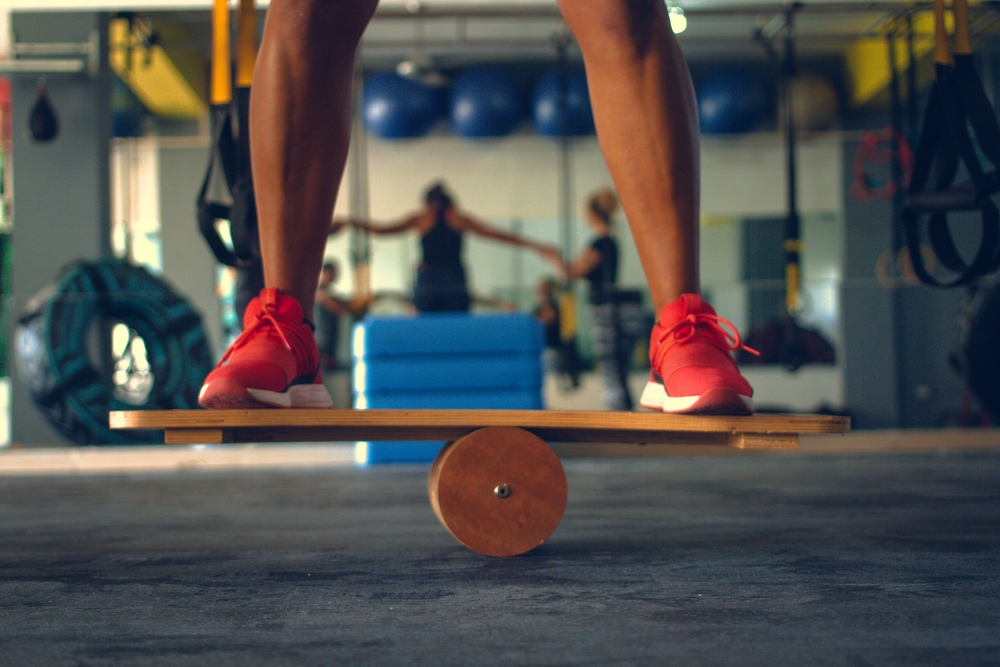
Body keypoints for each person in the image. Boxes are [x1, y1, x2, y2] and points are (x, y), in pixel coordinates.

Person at [198, 0, 756, 415]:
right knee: (306, 11)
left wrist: (534, 246)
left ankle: (682, 328)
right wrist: (355, 224)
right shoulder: (428, 220)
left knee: (620, 9)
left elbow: (485, 234)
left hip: (446, 282)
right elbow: (391, 228)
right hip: (432, 282)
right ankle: (287, 327)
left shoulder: (442, 219)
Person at [340, 181, 556, 313]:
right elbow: (496, 235)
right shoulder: (457, 219)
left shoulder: (423, 218)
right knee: (454, 323)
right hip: (452, 277)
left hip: (433, 278)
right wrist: (535, 246)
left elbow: (382, 230)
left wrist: (350, 222)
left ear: (428, 203)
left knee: (427, 324)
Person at [546, 188, 645, 410]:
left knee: (611, 362)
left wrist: (553, 258)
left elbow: (572, 272)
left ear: (593, 213)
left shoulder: (600, 243)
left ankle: (618, 407)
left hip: (605, 308)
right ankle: (621, 407)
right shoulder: (611, 242)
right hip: (609, 306)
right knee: (616, 364)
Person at [314, 260, 351, 370]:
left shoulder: (329, 292)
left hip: (330, 339)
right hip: (321, 339)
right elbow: (337, 308)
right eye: (334, 273)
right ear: (325, 273)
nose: (336, 276)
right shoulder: (318, 292)